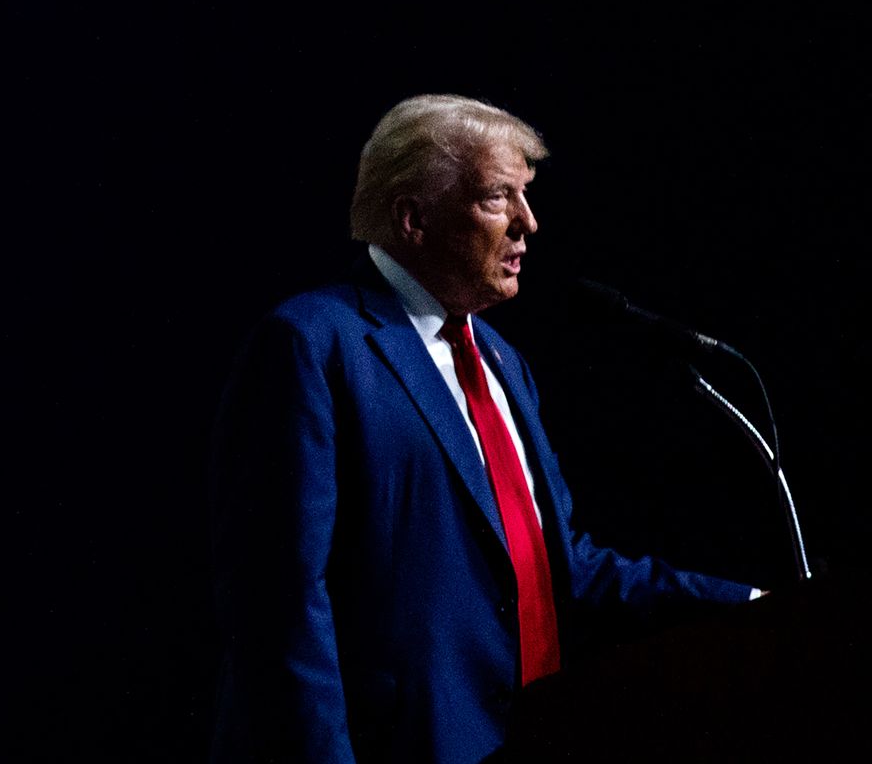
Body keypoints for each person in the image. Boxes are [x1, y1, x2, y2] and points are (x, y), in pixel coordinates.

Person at [208, 94, 754, 763]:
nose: (529, 223)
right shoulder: (313, 345)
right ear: (413, 218)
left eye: (525, 196)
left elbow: (557, 567)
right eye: (499, 197)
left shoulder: (502, 361)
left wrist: (750, 605)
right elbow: (282, 603)